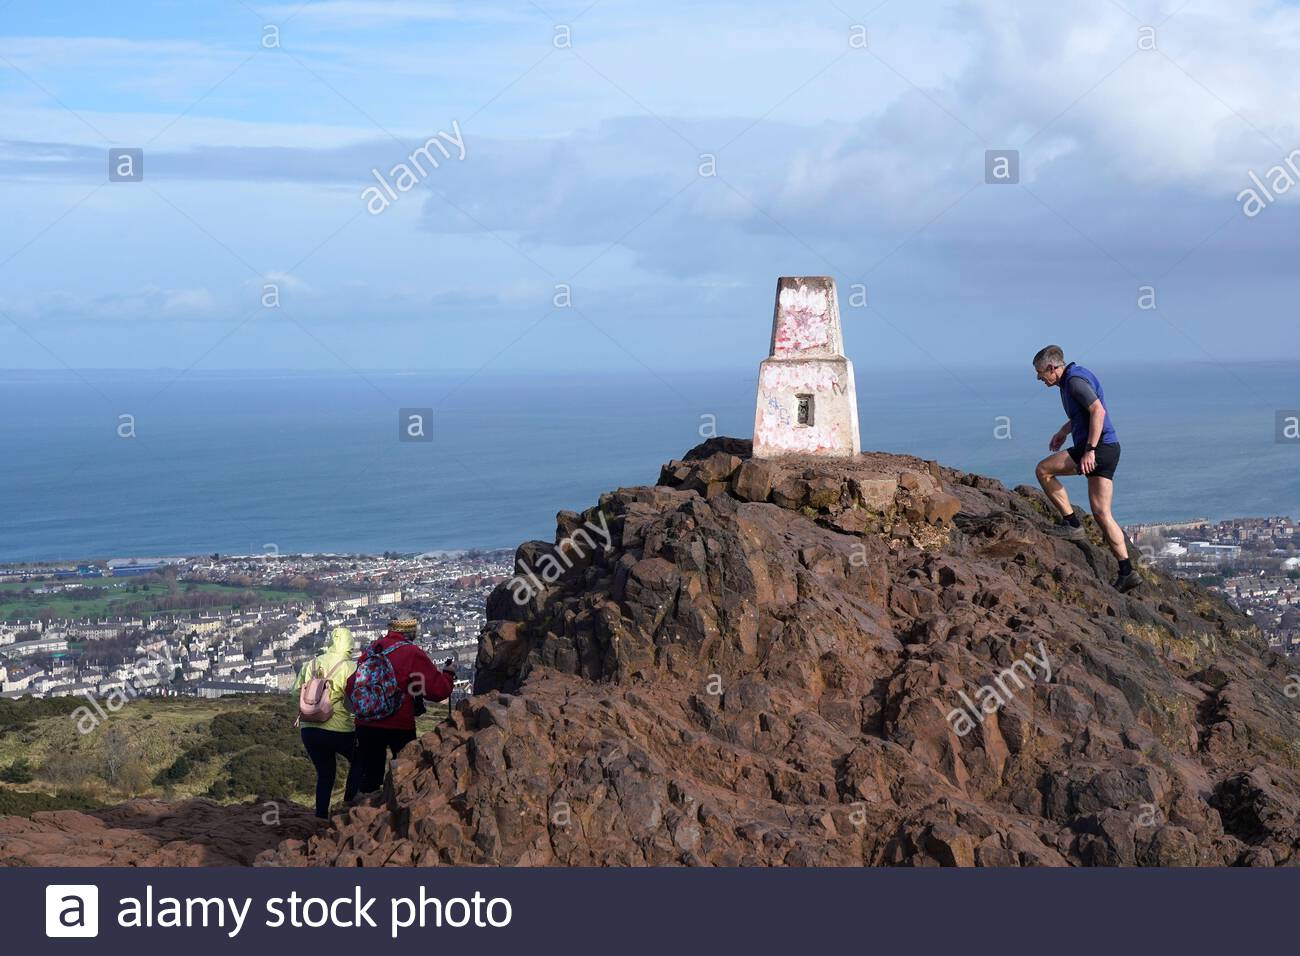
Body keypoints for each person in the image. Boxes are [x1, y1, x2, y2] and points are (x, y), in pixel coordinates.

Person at [1031, 345, 1141, 593]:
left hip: (1098, 447)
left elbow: (1097, 411)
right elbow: (1084, 413)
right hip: (1111, 447)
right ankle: (1127, 572)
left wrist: (1089, 450)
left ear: (1052, 368)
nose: (1039, 378)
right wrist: (1064, 431)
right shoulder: (1074, 377)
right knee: (1102, 514)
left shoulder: (1074, 381)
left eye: (1040, 373)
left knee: (1043, 470)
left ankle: (1071, 524)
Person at [346, 614, 456, 796]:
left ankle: (356, 814)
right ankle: (395, 814)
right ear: (412, 632)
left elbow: (351, 685)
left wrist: (367, 705)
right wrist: (448, 675)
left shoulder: (373, 649)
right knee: (405, 773)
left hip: (366, 723)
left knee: (368, 777)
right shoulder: (412, 653)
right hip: (399, 723)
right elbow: (438, 691)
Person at [292, 626, 360, 818]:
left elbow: (295, 694)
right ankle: (348, 805)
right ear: (349, 644)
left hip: (309, 730)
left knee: (325, 773)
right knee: (360, 759)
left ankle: (320, 815)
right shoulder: (350, 667)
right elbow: (356, 698)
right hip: (339, 729)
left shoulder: (311, 664)